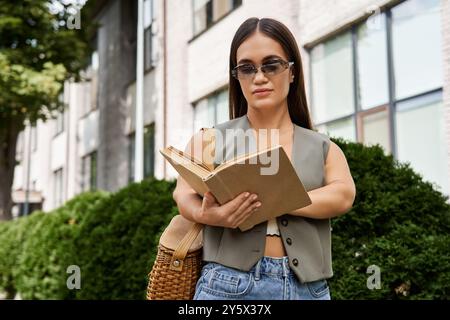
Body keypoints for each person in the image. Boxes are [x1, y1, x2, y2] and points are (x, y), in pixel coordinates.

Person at [172, 17, 356, 300]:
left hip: (307, 289)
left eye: (271, 65)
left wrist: (277, 200)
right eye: (247, 68)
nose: (259, 77)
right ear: (237, 76)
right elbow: (183, 194)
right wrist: (207, 215)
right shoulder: (209, 139)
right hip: (226, 286)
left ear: (292, 72)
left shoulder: (322, 147)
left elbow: (343, 195)